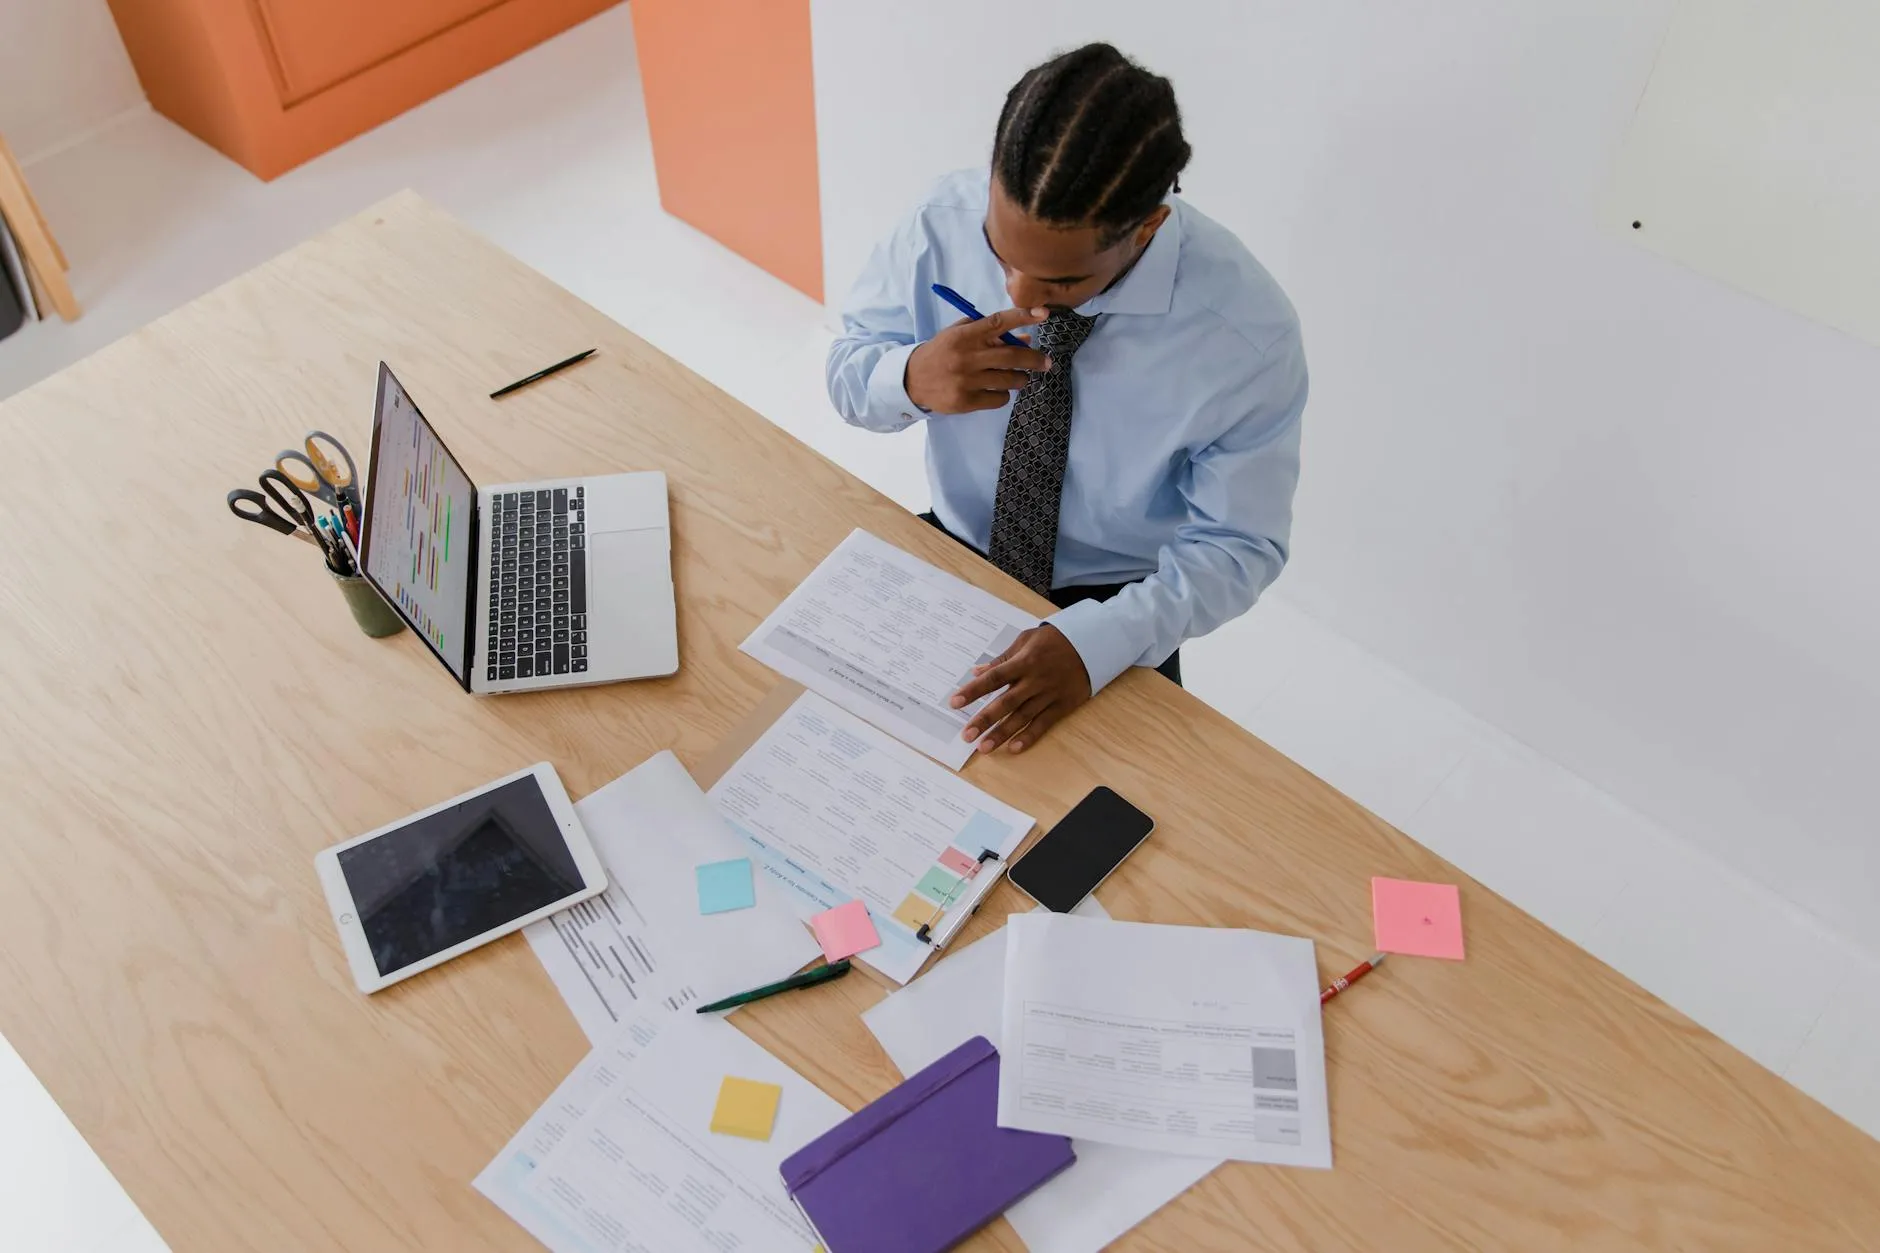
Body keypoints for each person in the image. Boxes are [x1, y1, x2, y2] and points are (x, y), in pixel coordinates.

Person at [827, 42, 1306, 756]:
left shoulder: (1245, 337)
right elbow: (847, 373)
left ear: (1148, 226)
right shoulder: (938, 219)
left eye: (1061, 283)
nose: (1019, 296)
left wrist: (1095, 644)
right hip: (954, 550)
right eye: (1000, 253)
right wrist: (910, 376)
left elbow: (1240, 546)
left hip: (1119, 607)